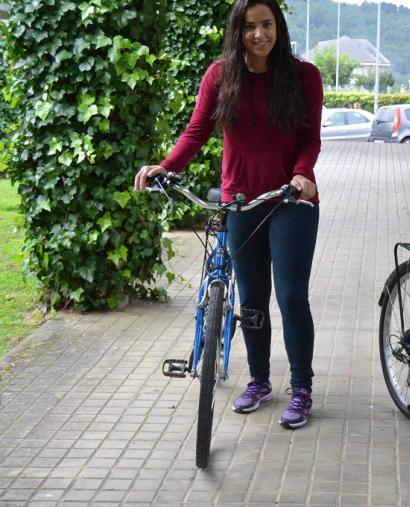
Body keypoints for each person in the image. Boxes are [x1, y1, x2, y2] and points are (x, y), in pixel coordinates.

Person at [134, 0, 324, 430]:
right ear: (237, 31)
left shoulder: (304, 76)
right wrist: (168, 166)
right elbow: (198, 130)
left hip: (290, 201)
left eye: (267, 25)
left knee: (292, 296)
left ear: (279, 27)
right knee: (252, 300)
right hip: (239, 202)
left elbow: (310, 139)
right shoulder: (221, 76)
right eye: (250, 27)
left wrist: (301, 175)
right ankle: (259, 381)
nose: (260, 34)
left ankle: (301, 388)